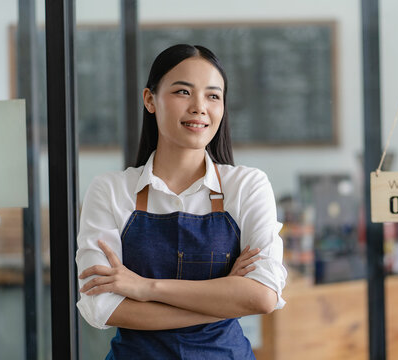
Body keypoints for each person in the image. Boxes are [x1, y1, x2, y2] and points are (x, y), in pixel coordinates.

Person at [76, 44, 287, 359]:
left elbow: (263, 296)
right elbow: (101, 307)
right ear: (150, 100)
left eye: (213, 96)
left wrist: (145, 289)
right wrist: (224, 301)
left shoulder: (246, 185)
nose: (200, 107)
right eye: (183, 92)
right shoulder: (109, 190)